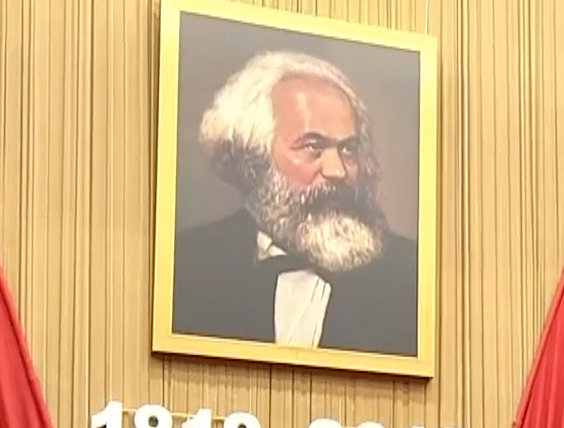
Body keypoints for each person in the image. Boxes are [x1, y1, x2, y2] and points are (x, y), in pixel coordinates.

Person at [172, 51, 420, 357]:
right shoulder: (186, 264)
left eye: (349, 149)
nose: (338, 171)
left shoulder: (410, 277)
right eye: (313, 147)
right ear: (256, 156)